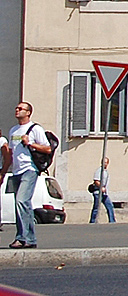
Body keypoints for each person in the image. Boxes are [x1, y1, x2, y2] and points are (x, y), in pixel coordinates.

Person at [6, 101, 53, 248]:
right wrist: (4, 172)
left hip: (29, 170)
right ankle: (28, 239)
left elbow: (47, 149)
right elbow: (11, 153)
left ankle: (23, 237)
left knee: (22, 201)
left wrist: (30, 144)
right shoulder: (13, 130)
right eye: (16, 108)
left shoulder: (35, 129)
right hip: (16, 171)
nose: (17, 110)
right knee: (21, 205)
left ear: (28, 113)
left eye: (21, 109)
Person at [89, 155, 116, 223]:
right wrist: (101, 187)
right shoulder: (99, 171)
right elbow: (96, 181)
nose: (105, 164)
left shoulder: (105, 171)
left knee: (109, 206)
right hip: (98, 193)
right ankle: (93, 221)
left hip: (104, 193)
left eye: (106, 162)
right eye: (104, 162)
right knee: (96, 208)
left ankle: (112, 221)